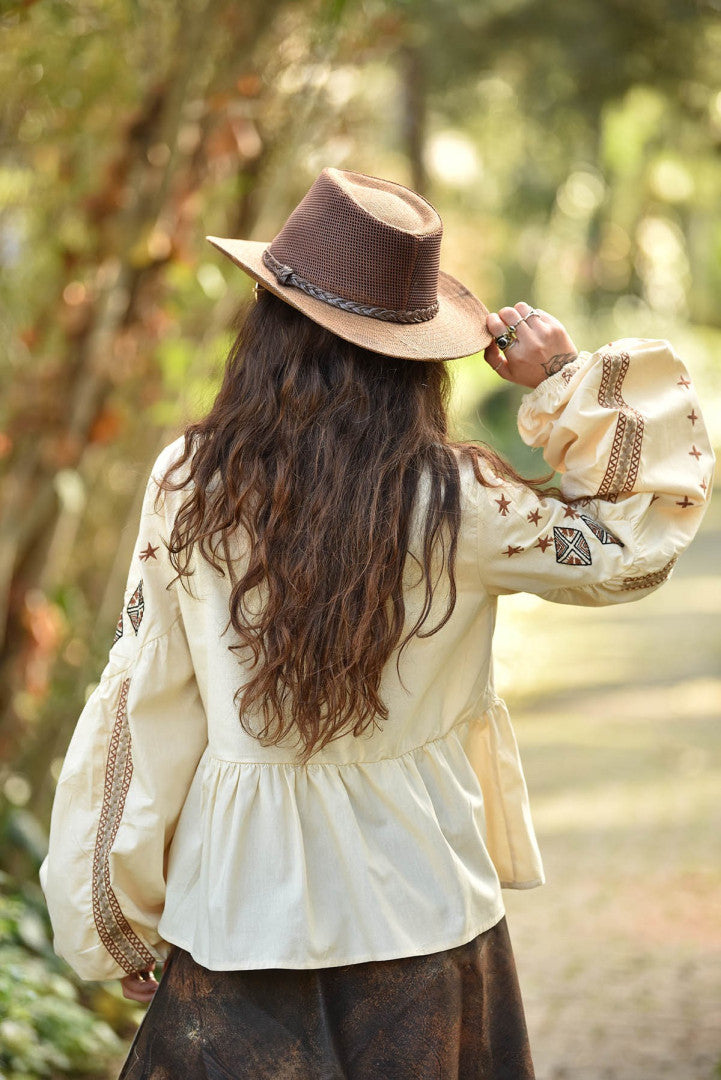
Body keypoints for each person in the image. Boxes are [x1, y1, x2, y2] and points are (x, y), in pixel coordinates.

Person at [40, 167, 713, 1079]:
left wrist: (115, 924)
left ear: (266, 327)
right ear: (416, 356)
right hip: (426, 916)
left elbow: (143, 708)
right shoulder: (458, 501)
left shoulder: (188, 484)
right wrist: (562, 379)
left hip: (238, 918)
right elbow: (629, 543)